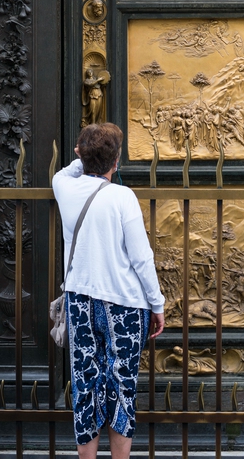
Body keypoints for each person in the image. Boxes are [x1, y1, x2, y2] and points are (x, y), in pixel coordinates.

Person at [52, 123, 164, 459]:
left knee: (85, 384)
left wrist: (82, 155)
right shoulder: (122, 197)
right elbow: (141, 258)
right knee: (121, 387)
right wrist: (156, 303)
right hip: (125, 306)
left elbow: (70, 170)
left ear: (80, 156)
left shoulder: (63, 187)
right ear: (116, 161)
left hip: (80, 300)